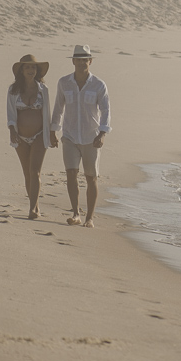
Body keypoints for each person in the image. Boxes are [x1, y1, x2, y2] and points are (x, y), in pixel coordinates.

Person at [49, 44, 111, 228]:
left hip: (91, 137)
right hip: (69, 135)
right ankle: (76, 213)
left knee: (91, 176)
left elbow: (106, 110)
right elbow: (58, 108)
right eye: (79, 60)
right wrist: (53, 131)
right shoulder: (64, 82)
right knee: (70, 174)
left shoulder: (99, 85)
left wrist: (102, 133)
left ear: (90, 61)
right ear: (73, 61)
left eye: (86, 60)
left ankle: (89, 218)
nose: (82, 63)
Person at [6, 54, 53, 220]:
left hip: (40, 135)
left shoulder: (43, 90)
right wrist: (12, 130)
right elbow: (11, 113)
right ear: (21, 70)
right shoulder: (13, 90)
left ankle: (33, 209)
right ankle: (35, 205)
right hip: (20, 137)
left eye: (33, 67)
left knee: (35, 171)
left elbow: (47, 114)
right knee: (27, 173)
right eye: (27, 67)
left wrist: (52, 133)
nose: (31, 70)